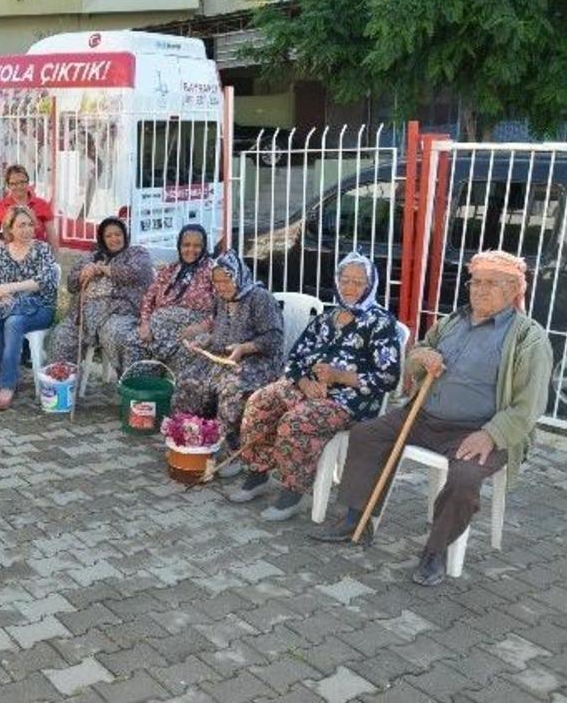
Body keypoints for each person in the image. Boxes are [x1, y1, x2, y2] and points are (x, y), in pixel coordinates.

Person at [312, 250, 553, 587]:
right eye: (476, 282)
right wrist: (421, 356)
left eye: (491, 284)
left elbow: (529, 406)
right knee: (367, 435)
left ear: (514, 290)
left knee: (466, 476)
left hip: (480, 430)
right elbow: (416, 357)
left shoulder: (529, 338)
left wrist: (491, 435)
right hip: (424, 416)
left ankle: (436, 550)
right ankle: (356, 518)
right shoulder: (453, 322)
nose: (480, 290)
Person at [231, 252, 402, 522]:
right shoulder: (328, 318)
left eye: (358, 283)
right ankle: (258, 472)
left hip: (348, 401)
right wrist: (304, 382)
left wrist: (342, 376)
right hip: (307, 388)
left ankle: (293, 491)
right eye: (345, 280)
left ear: (370, 285)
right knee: (260, 401)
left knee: (297, 421)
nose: (349, 288)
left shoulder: (380, 323)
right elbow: (296, 357)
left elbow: (389, 377)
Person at [171, 250, 284, 452]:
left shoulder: (260, 298)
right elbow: (219, 332)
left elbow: (274, 338)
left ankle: (229, 446)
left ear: (238, 276)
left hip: (258, 361)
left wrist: (244, 348)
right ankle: (193, 434)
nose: (221, 287)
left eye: (226, 281)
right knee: (189, 378)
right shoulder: (222, 299)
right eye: (217, 282)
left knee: (231, 388)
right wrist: (202, 343)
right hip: (225, 358)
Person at [48, 216, 153, 375]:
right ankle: (64, 386)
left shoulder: (137, 253)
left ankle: (129, 382)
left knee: (116, 334)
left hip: (118, 313)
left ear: (125, 235)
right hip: (82, 316)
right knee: (60, 336)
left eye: (117, 234)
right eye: (108, 236)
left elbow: (137, 273)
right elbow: (71, 284)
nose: (114, 239)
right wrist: (83, 275)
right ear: (102, 239)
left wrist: (103, 269)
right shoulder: (92, 256)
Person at [0, 205, 59, 410]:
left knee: (14, 322)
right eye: (21, 225)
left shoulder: (42, 249)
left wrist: (9, 288)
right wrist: (1, 297)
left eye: (30, 224)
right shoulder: (1, 253)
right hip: (6, 306)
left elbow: (43, 281)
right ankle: (11, 373)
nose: (27, 229)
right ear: (10, 229)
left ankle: (6, 385)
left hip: (41, 306)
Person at [123, 224, 215, 369]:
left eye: (197, 245)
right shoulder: (170, 269)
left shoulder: (212, 271)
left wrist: (201, 327)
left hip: (190, 330)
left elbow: (224, 307)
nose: (191, 250)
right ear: (179, 246)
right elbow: (149, 297)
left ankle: (168, 390)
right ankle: (140, 389)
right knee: (132, 342)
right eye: (186, 245)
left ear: (204, 247)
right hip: (157, 327)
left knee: (187, 352)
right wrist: (145, 323)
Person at [0, 165, 58, 252]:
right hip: (11, 257)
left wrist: (54, 260)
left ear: (28, 182)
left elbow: (51, 235)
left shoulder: (41, 204)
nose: (19, 186)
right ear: (8, 185)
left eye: (22, 182)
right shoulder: (2, 205)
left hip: (37, 256)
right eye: (14, 184)